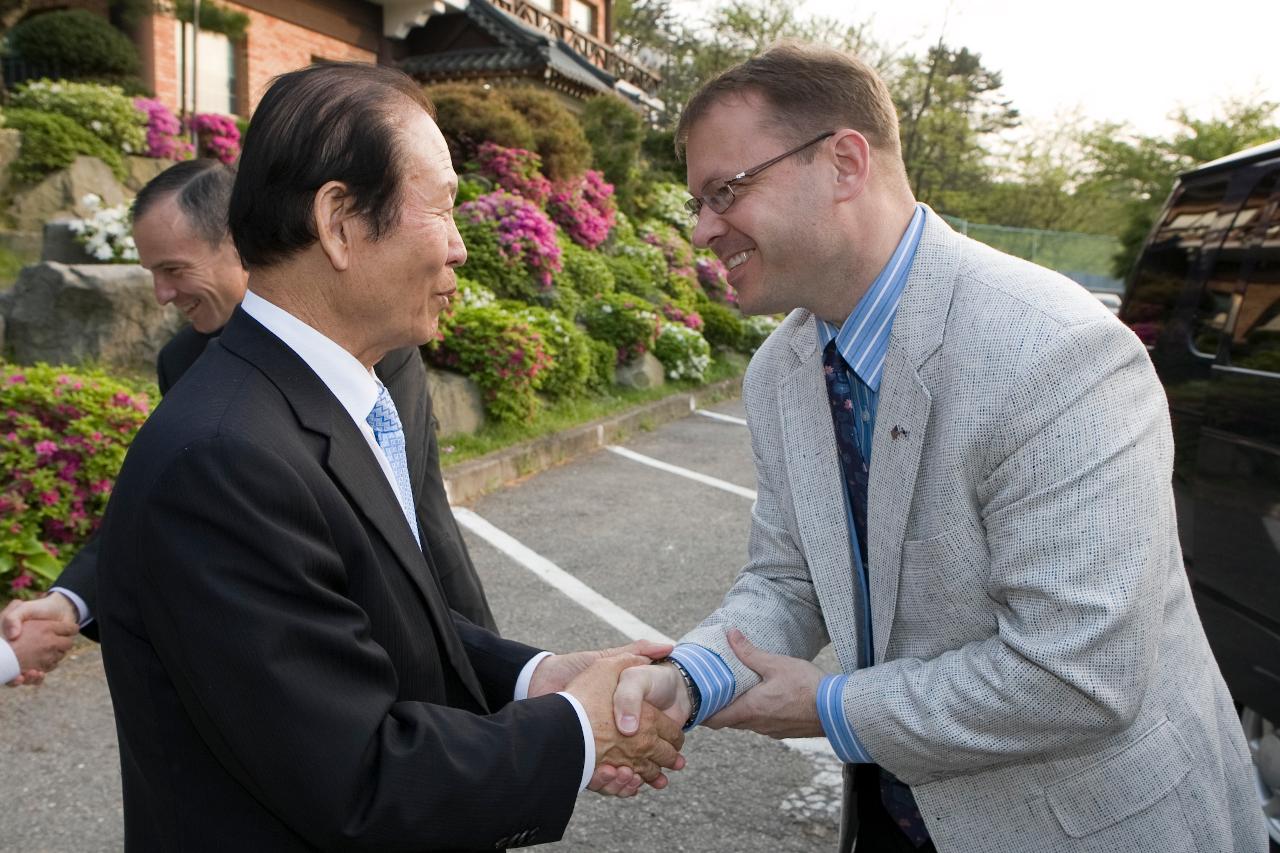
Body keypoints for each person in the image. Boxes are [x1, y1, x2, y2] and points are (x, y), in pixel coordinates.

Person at [611, 43, 1266, 852]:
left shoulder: (1055, 350)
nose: (705, 229)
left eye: (726, 191)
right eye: (698, 203)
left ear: (845, 163)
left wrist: (830, 707)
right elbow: (789, 578)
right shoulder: (781, 368)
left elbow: (1078, 675)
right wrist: (689, 677)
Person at [93, 61, 683, 850]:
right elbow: (355, 776)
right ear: (339, 221)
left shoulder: (326, 398)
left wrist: (536, 676)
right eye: (441, 208)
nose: (462, 247)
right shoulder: (224, 459)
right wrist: (577, 730)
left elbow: (370, 621)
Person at [2, 157, 497, 682]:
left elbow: (383, 511)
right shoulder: (182, 361)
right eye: (152, 273)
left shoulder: (366, 337)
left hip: (427, 616)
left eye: (173, 269)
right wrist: (70, 601)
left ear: (238, 244)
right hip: (291, 652)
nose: (162, 295)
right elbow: (160, 502)